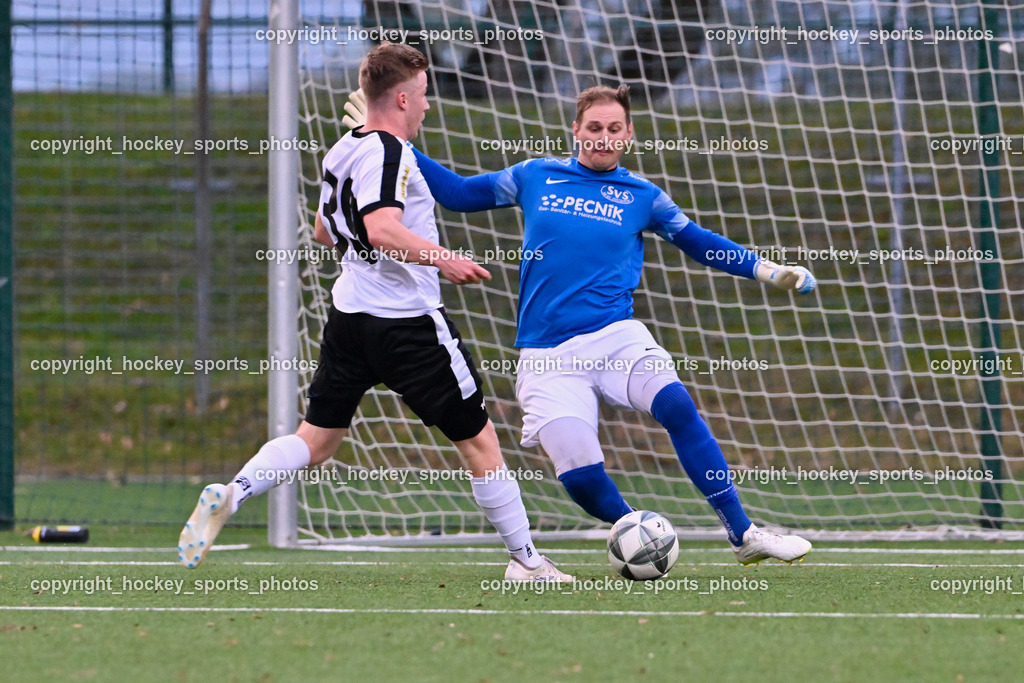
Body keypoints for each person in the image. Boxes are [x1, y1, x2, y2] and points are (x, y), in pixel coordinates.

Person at [342, 83, 814, 564]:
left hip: (615, 335)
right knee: (580, 475)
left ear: (628, 134)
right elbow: (459, 194)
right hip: (546, 355)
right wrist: (390, 139)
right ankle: (641, 537)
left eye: (614, 129)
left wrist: (767, 270)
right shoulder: (534, 175)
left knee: (676, 405)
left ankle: (743, 534)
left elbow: (699, 242)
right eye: (594, 128)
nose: (603, 137)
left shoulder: (643, 197)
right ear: (575, 130)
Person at [178, 43, 571, 583]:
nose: (429, 106)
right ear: (404, 96)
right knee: (480, 440)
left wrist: (371, 251)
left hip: (349, 319)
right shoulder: (390, 153)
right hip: (407, 325)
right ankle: (527, 562)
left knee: (314, 442)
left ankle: (234, 491)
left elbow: (323, 231)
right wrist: (444, 258)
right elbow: (381, 227)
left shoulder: (343, 148)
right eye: (426, 95)